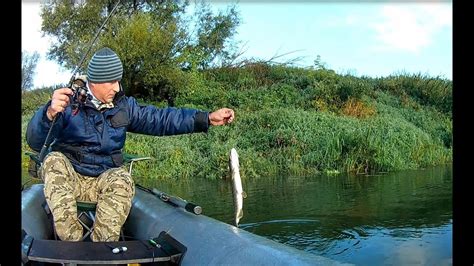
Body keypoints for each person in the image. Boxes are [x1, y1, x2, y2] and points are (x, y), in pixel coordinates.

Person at [26, 47, 235, 242]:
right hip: (71, 178)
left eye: (118, 81)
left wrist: (206, 118)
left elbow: (161, 119)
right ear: (96, 82)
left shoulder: (125, 106)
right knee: (53, 160)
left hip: (103, 180)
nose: (117, 87)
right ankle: (70, 242)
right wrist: (49, 114)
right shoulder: (66, 103)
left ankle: (101, 248)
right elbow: (35, 141)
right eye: (111, 82)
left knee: (122, 177)